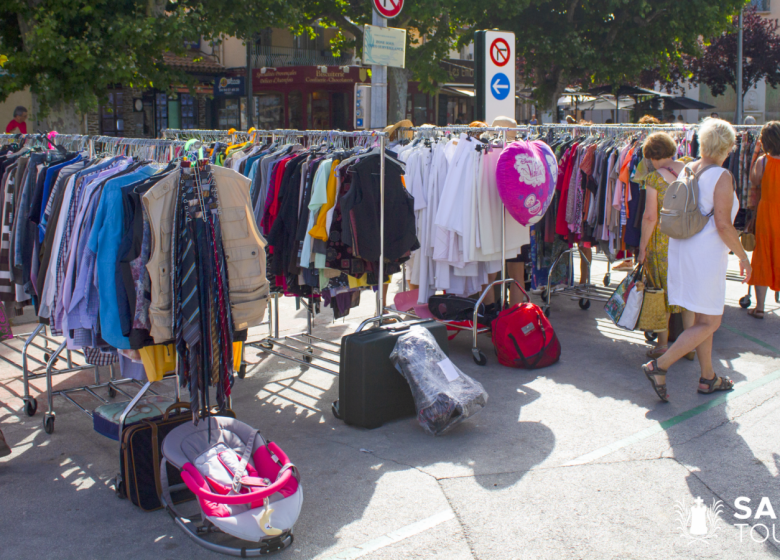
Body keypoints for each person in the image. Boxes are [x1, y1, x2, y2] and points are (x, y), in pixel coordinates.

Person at [642, 118, 752, 401]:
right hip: (705, 255)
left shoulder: (688, 167)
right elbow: (724, 225)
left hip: (682, 248)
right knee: (711, 321)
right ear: (727, 146)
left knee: (703, 317)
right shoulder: (722, 176)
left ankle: (708, 377)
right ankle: (660, 365)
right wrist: (743, 257)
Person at [636, 132, 696, 360]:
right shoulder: (690, 169)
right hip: (689, 239)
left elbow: (650, 217)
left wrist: (642, 247)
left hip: (663, 242)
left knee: (661, 292)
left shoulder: (655, 178)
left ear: (651, 155)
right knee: (686, 292)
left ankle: (662, 344)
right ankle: (689, 345)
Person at [746, 121, 780, 318]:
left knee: (763, 254)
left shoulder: (763, 161)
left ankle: (759, 307)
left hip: (767, 213)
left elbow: (754, 180)